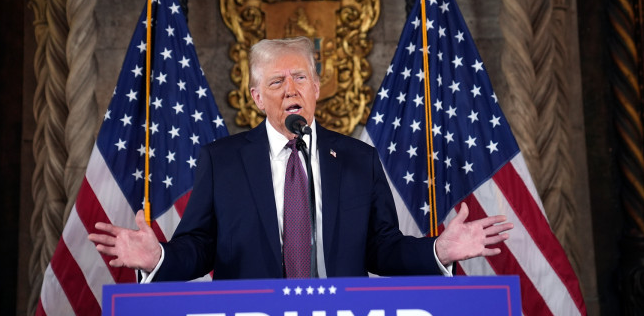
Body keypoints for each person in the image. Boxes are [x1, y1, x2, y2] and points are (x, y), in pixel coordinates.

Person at [89, 37, 513, 281]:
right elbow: (199, 247)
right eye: (276, 82)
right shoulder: (222, 161)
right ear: (257, 97)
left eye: (300, 78)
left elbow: (381, 249)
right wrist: (158, 258)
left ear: (316, 88)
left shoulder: (359, 159)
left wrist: (438, 249)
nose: (291, 89)